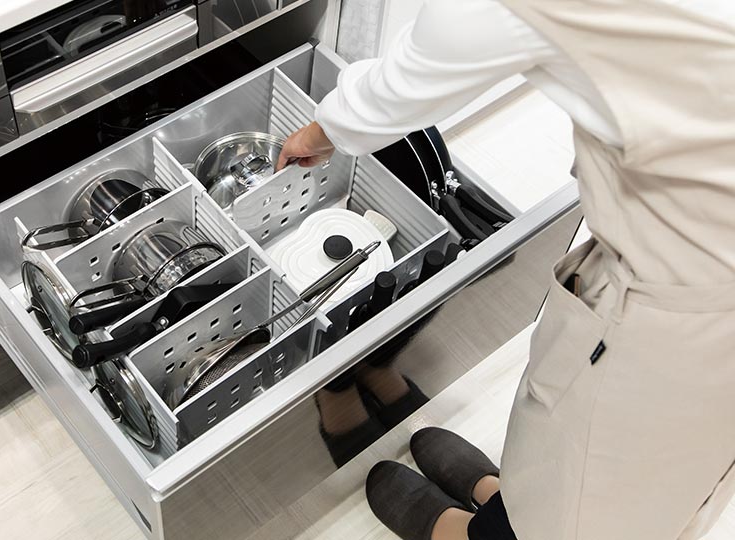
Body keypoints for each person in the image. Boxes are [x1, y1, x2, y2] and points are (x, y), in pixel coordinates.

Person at [277, 0, 735, 538]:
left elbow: (425, 68)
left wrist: (321, 131)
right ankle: (506, 498)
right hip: (694, 262)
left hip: (682, 308)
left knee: (591, 491)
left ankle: (478, 531)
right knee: (596, 466)